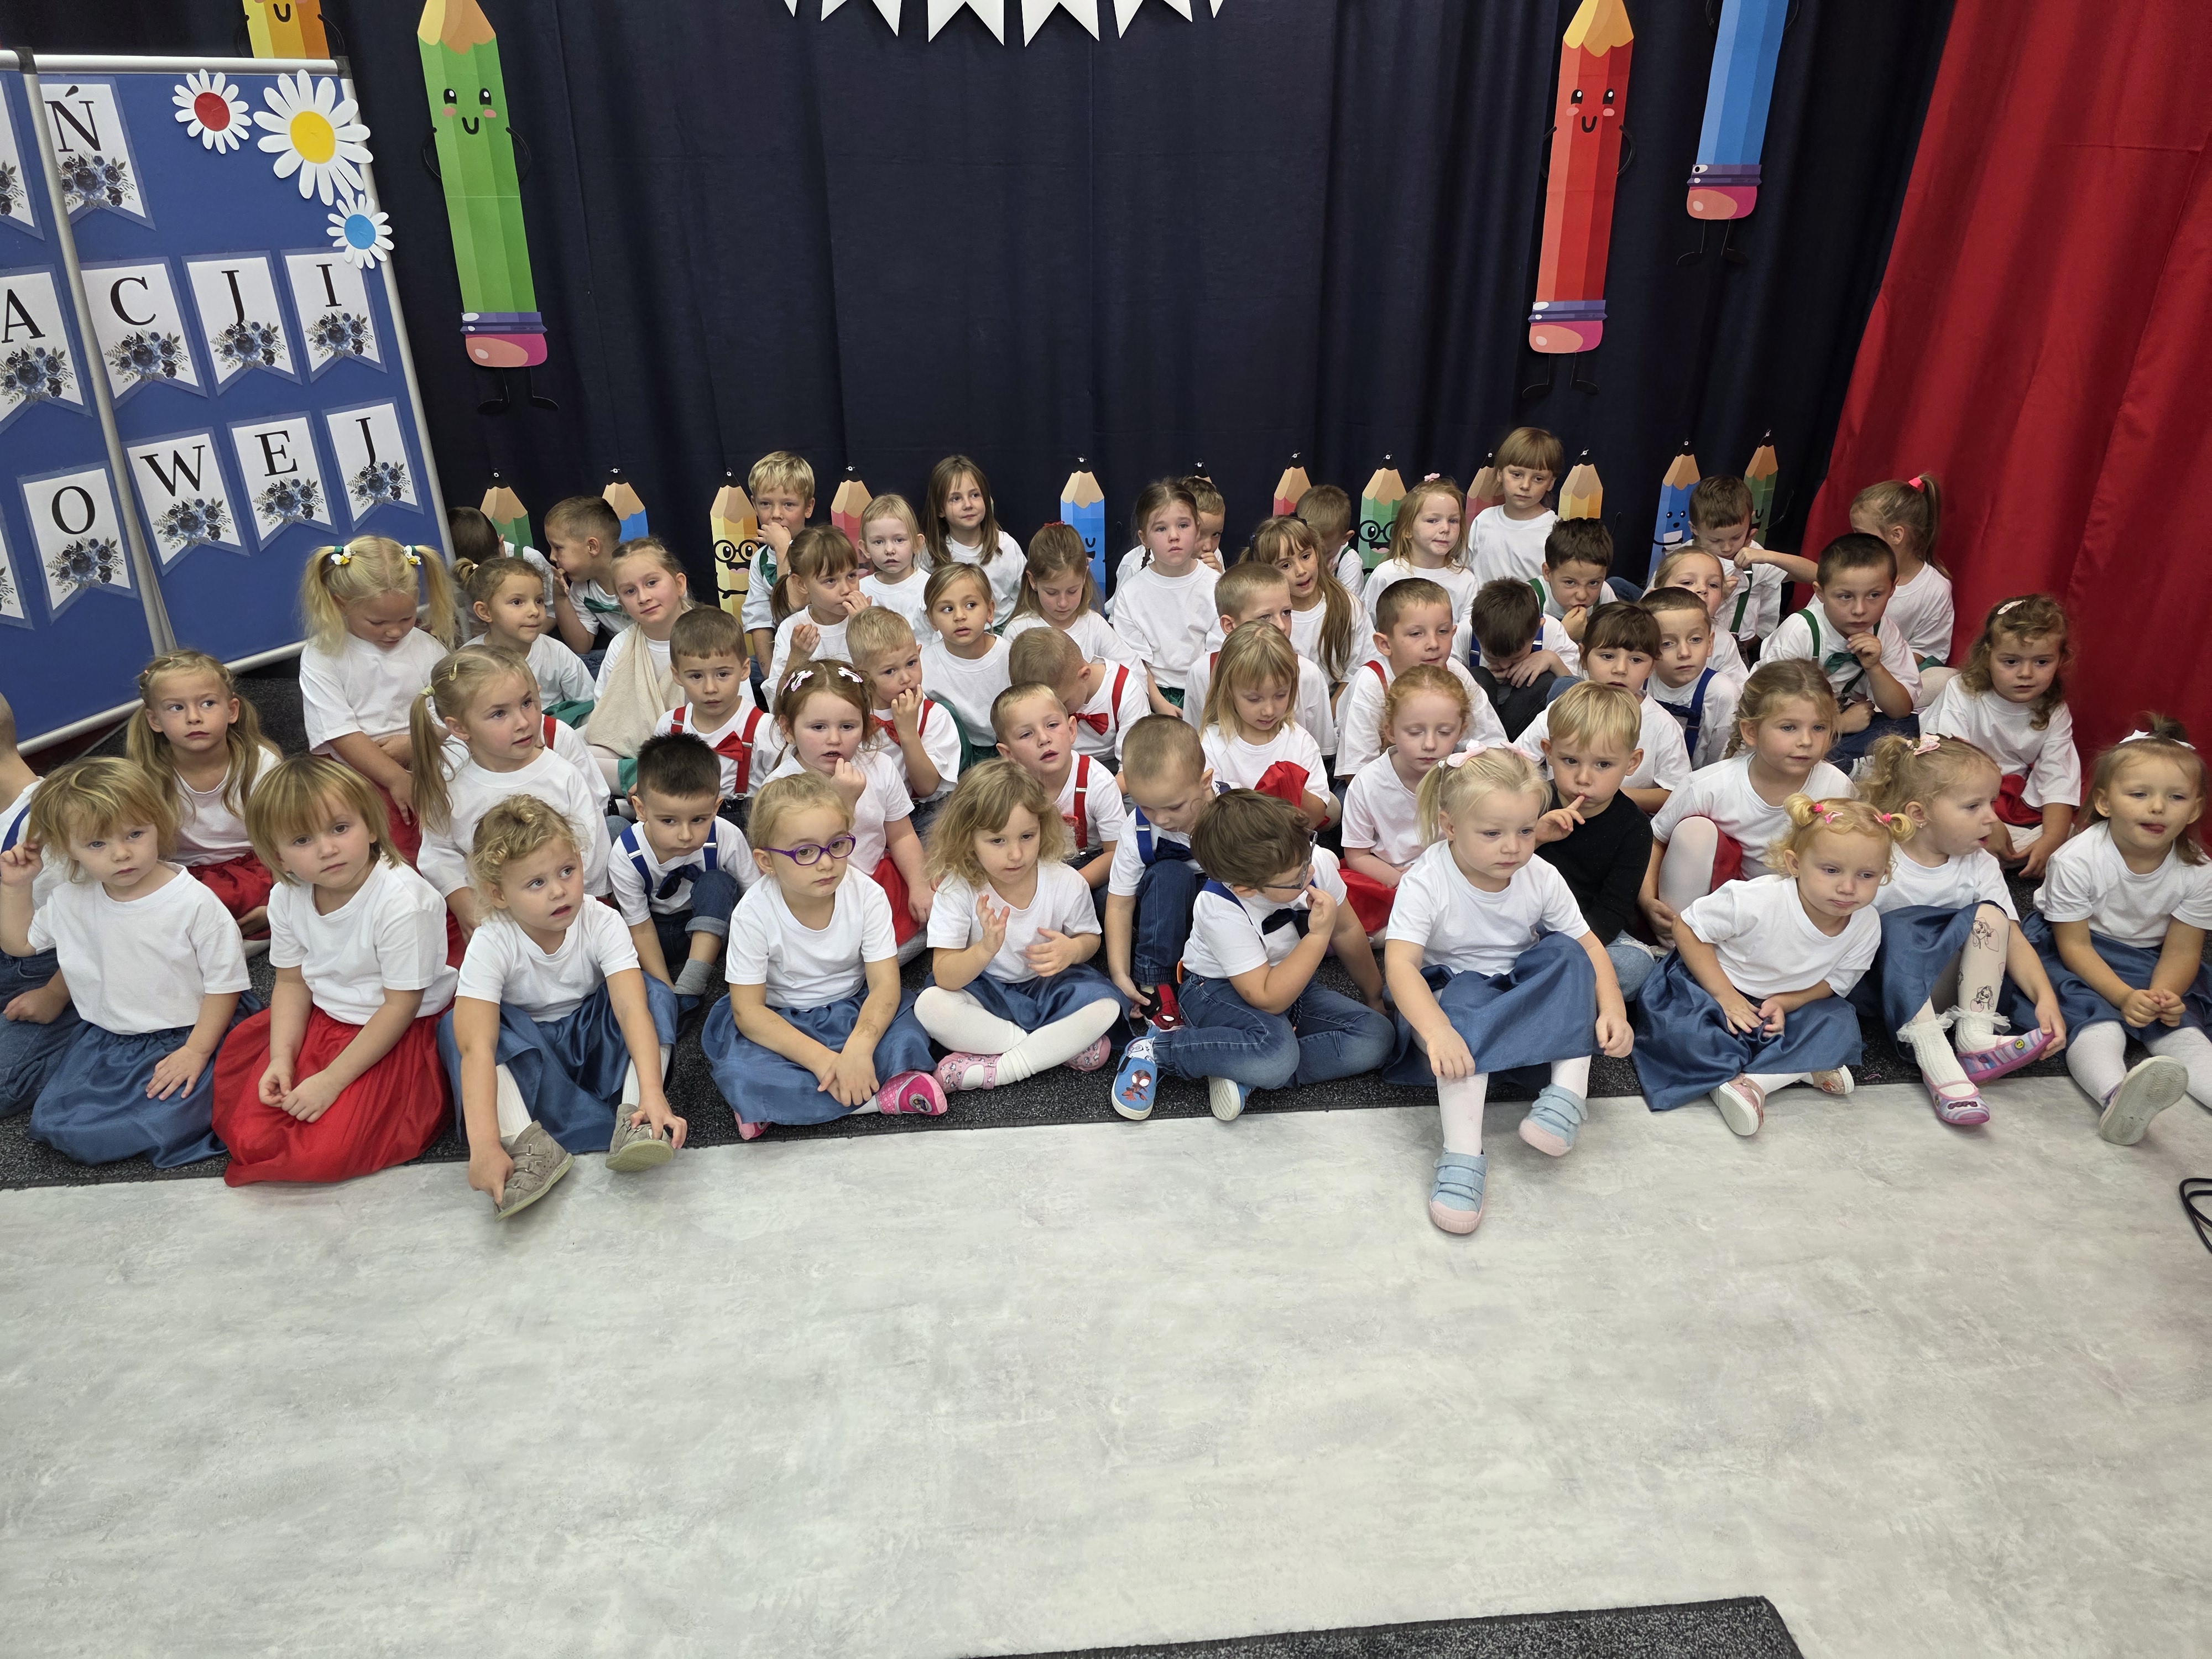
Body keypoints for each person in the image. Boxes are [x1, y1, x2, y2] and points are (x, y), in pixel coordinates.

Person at [1379, 747, 1634, 1234]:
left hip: (1515, 992)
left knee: (1568, 953)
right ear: (1450, 827)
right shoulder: (1427, 880)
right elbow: (1401, 967)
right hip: (1455, 1002)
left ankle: (1566, 1097)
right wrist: (1437, 1033)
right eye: (1492, 834)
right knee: (1462, 1005)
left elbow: (1588, 946)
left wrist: (1613, 1009)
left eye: (1526, 831)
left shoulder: (1540, 875)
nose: (1513, 848)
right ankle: (1461, 1155)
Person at [210, 755, 456, 1185]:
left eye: (340, 828)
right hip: (326, 1020)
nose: (327, 849)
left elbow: (400, 1007)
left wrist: (331, 1081)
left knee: (319, 1153)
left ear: (372, 827)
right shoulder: (288, 896)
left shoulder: (403, 903)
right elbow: (291, 981)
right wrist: (282, 1057)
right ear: (279, 856)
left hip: (399, 1032)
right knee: (250, 1131)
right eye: (303, 840)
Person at [0, 757, 251, 1167]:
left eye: (135, 833)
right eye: (96, 844)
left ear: (159, 825)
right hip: (111, 1037)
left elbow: (226, 986)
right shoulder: (71, 898)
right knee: (62, 1124)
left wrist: (196, 1052)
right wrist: (16, 888)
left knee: (165, 1121)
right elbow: (20, 944)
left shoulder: (193, 903)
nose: (121, 853)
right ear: (68, 850)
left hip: (191, 1031)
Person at [442, 797, 685, 1218]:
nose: (559, 890)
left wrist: (654, 1092)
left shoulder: (601, 920)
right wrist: (483, 1147)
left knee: (654, 993)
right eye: (536, 883)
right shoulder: (491, 940)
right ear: (498, 894)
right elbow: (477, 1049)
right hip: (534, 1060)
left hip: (593, 1046)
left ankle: (638, 1118)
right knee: (457, 1027)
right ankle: (525, 1144)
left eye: (567, 871)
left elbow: (631, 1009)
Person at [1111, 788, 1390, 1123]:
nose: (1309, 874)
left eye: (1307, 856)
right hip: (1215, 991)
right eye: (1294, 879)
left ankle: (1244, 1069)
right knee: (1275, 1055)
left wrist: (1374, 997)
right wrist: (1318, 936)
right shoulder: (1219, 906)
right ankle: (1158, 1051)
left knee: (1375, 1036)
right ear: (1245, 888)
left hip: (1289, 980)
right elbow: (1267, 998)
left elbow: (1347, 931)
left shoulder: (1305, 862)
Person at [1632, 795, 1904, 1136]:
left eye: (1866, 875)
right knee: (1683, 1035)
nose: (1848, 888)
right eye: (1831, 870)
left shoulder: (1866, 924)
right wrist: (1725, 995)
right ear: (1795, 863)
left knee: (1840, 1022)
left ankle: (1753, 1085)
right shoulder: (1758, 899)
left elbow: (1837, 981)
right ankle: (1793, 1069)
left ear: (1884, 875)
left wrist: (1788, 1002)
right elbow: (1686, 928)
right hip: (1708, 987)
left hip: (1779, 1005)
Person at [701, 771, 946, 1137]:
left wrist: (859, 1049)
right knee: (742, 1069)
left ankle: (781, 1107)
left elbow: (884, 987)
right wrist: (822, 1061)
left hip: (854, 1009)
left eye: (837, 845)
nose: (826, 862)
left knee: (911, 1028)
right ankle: (882, 1095)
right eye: (804, 852)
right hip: (782, 1022)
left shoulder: (867, 895)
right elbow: (748, 1012)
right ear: (766, 862)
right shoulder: (752, 913)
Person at [1856, 734, 2067, 1124]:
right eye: (1973, 806)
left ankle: (1975, 1037)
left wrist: (2045, 998)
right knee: (1901, 928)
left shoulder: (1980, 864)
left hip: (1957, 990)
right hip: (1890, 992)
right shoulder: (1881, 860)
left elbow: (2011, 938)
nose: (1992, 817)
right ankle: (1938, 1062)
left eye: (1992, 802)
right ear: (1919, 813)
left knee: (1992, 916)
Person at [2027, 719, 2212, 1146]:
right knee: (2094, 1020)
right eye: (2139, 794)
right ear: (2105, 802)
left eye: (2176, 797)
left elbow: (2183, 951)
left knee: (2181, 1024)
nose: (2158, 808)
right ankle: (2116, 1097)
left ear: (2195, 809)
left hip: (2149, 957)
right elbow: (2074, 945)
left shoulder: (2199, 871)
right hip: (2073, 951)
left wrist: (2162, 996)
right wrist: (2124, 997)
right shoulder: (2077, 860)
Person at [916, 761, 1124, 1092]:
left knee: (1107, 1006)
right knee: (930, 1006)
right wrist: (984, 949)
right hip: (984, 991)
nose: (1016, 854)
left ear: (1043, 827)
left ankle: (998, 1065)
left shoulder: (1065, 881)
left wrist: (1073, 950)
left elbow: (1090, 938)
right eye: (997, 841)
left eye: (1027, 836)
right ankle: (1048, 1049)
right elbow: (945, 976)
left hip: (1048, 988)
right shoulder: (957, 889)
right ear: (968, 840)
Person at [1641, 660, 1854, 946]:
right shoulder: (1709, 785)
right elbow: (1655, 839)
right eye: (1789, 727)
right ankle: (1679, 944)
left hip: (1795, 908)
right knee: (1694, 831)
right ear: (1751, 732)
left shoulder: (1837, 787)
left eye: (1819, 727)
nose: (1806, 741)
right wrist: (1647, 900)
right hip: (1720, 902)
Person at [410, 646, 612, 939]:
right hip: (494, 920)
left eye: (527, 703)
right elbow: (438, 851)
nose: (523, 722)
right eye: (499, 714)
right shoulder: (453, 784)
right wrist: (461, 899)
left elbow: (590, 848)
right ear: (460, 728)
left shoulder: (562, 775)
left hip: (565, 913)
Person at [296, 535, 460, 860]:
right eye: (378, 622)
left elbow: (454, 710)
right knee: (391, 849)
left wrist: (417, 743)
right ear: (341, 603)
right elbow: (339, 732)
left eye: (406, 619)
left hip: (428, 756)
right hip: (359, 771)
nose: (395, 631)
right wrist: (395, 776)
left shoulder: (428, 648)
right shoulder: (322, 655)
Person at [759, 659, 932, 951]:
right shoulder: (781, 786)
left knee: (941, 888)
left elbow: (901, 835)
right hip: (815, 893)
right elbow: (805, 857)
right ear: (788, 729)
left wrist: (918, 885)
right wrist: (842, 802)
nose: (834, 739)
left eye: (848, 726)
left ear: (865, 726)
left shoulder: (880, 766)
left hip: (876, 881)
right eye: (818, 727)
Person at [1919, 594, 2077, 879]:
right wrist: (1988, 822)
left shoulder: (2055, 711)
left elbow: (2058, 780)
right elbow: (1944, 767)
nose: (2026, 674)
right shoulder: (1962, 692)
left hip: (2008, 802)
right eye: (2011, 661)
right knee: (1930, 814)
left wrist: (2052, 841)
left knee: (2071, 838)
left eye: (2042, 662)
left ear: (2060, 660)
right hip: (1955, 785)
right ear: (1988, 656)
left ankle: (1984, 853)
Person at [128, 649, 279, 940]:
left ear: (232, 711)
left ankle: (255, 929)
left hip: (257, 866)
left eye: (208, 703)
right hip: (184, 875)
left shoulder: (261, 763)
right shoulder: (145, 778)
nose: (194, 718)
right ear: (154, 720)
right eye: (176, 708)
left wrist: (277, 903)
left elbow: (290, 834)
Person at [1532, 683, 1660, 1002]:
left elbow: (1612, 912)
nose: (1584, 778)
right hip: (1524, 923)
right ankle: (1558, 995)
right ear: (1549, 752)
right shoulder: (1530, 801)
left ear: (1632, 763)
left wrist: (1568, 951)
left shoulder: (1634, 828)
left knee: (1635, 965)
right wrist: (1534, 837)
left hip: (1587, 934)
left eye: (1603, 765)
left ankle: (1539, 990)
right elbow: (1490, 869)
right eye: (1570, 761)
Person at [1512, 602, 1690, 815]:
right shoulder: (1561, 709)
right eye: (1607, 656)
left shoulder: (1663, 726)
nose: (1620, 669)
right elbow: (1515, 765)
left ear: (1652, 666)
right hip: (1556, 816)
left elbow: (1675, 794)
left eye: (1636, 660)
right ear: (1584, 657)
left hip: (1623, 824)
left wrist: (1609, 796)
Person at [611, 733, 752, 1000]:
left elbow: (754, 896)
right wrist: (666, 987)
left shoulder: (726, 835)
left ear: (716, 807)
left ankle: (691, 985)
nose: (686, 835)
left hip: (713, 932)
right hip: (654, 933)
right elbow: (639, 926)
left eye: (698, 819)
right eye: (669, 821)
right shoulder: (627, 852)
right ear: (641, 810)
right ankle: (671, 993)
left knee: (717, 882)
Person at [1760, 532, 1921, 763]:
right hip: (1795, 728)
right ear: (1820, 593)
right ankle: (1837, 765)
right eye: (1845, 597)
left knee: (1909, 726)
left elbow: (1900, 710)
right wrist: (1839, 724)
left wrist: (1874, 667)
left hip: (1846, 725)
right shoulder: (1802, 630)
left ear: (1892, 588)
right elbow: (1773, 709)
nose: (1859, 610)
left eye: (1874, 595)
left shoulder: (1885, 631)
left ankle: (1838, 763)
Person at [1102, 716, 1219, 1026]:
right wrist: (1119, 973)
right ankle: (1155, 980)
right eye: (1147, 807)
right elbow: (1120, 904)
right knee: (1171, 874)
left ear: (1205, 782)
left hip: (1219, 909)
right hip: (1163, 913)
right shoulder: (1138, 830)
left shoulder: (1232, 813)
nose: (1162, 819)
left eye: (1174, 807)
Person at [1339, 664, 1470, 935]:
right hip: (1389, 877)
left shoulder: (1467, 779)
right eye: (1414, 732)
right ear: (1390, 731)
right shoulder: (1367, 783)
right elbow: (1357, 854)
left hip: (1451, 870)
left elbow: (1475, 840)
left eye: (1445, 732)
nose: (1430, 744)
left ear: (1461, 731)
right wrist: (1400, 880)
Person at [1335, 577, 1505, 777]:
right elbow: (1355, 773)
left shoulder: (1455, 672)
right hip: (1381, 782)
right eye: (1416, 634)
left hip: (1442, 774)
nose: (1434, 643)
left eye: (1443, 631)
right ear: (1385, 645)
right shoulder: (1371, 683)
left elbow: (1492, 744)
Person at [1180, 560, 1338, 770]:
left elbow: (1320, 751)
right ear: (1229, 625)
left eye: (1286, 612)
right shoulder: (1203, 672)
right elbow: (1196, 746)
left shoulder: (1308, 674)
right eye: (1265, 617)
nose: (1281, 625)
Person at [0, 693, 74, 1113]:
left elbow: (101, 926)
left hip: (59, 968)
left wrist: (55, 994)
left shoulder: (52, 820)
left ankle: (105, 1032)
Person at [1197, 624, 1336, 829]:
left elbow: (1317, 817)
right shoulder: (1211, 744)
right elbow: (1209, 817)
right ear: (1228, 692)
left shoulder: (1300, 742)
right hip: (1232, 843)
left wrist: (1293, 786)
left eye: (1280, 695)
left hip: (1289, 840)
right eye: (1254, 699)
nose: (1269, 710)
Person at [583, 536, 693, 787]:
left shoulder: (712, 635)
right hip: (630, 752)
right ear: (622, 604)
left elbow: (739, 711)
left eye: (652, 583)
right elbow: (606, 711)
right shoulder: (621, 645)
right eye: (630, 591)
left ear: (679, 584)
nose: (643, 597)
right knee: (577, 760)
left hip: (695, 753)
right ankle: (644, 782)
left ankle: (640, 786)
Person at [992, 685, 1121, 894]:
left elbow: (1116, 853)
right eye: (1026, 734)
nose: (1044, 739)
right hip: (1033, 867)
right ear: (1008, 754)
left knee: (1107, 896)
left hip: (1090, 867)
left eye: (1052, 725)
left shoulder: (1099, 782)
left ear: (1071, 730)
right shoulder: (1005, 790)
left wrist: (1067, 889)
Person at [651, 606, 777, 816]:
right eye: (696, 676)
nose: (710, 688)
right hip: (685, 826)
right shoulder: (670, 726)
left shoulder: (764, 729)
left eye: (722, 674)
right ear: (677, 675)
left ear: (744, 669)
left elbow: (785, 795)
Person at [1112, 479, 1219, 714]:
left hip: (1208, 694)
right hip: (1151, 696)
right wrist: (1160, 704)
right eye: (1161, 529)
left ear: (1197, 528)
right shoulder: (1131, 594)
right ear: (1144, 538)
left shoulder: (1216, 586)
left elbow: (1219, 656)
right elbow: (1134, 661)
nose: (1174, 536)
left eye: (1183, 525)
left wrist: (1201, 704)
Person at [847, 604, 960, 817]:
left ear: (919, 653)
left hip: (922, 812)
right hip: (867, 809)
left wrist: (908, 732)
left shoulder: (934, 715)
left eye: (911, 663)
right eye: (890, 671)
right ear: (863, 675)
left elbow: (927, 787)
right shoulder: (851, 716)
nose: (906, 678)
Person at [457, 552, 594, 725]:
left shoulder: (557, 652)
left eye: (539, 601)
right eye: (517, 602)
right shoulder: (467, 662)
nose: (534, 611)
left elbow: (589, 706)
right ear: (485, 612)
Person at [1851, 475, 1954, 698]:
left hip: (1890, 676)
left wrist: (1878, 663)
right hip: (1837, 671)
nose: (1854, 543)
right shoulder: (1849, 570)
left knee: (1946, 679)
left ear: (1896, 535)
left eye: (1861, 535)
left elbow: (1927, 652)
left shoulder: (1935, 588)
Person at [1359, 476, 1477, 660]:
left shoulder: (1466, 580)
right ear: (1407, 529)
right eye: (1433, 520)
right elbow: (1366, 631)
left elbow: (1462, 640)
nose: (1445, 528)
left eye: (1453, 521)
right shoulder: (1387, 574)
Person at [1250, 512, 1362, 692]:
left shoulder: (1347, 605)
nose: (1301, 571)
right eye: (1286, 565)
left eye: (1305, 556)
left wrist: (1332, 707)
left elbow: (1360, 667)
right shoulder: (1259, 616)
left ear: (1317, 553)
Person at [919, 562, 1015, 770]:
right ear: (932, 620)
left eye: (971, 605)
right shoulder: (924, 664)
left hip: (1012, 750)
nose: (960, 616)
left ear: (990, 611)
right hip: (957, 757)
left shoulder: (1010, 656)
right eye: (947, 609)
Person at [1009, 625, 1149, 767]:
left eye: (1063, 704)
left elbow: (1132, 769)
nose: (1055, 712)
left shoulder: (1128, 692)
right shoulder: (1065, 688)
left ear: (1084, 676)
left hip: (1110, 766)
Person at [1003, 521, 1138, 667]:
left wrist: (1097, 674)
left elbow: (1135, 668)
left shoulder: (1094, 625)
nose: (1063, 603)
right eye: (1052, 593)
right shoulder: (1017, 631)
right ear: (1033, 581)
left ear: (1084, 577)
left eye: (1072, 591)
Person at [1688, 476, 1788, 665]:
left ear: (1750, 522)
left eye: (1736, 537)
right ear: (1694, 529)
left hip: (1743, 648)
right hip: (1695, 647)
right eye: (1715, 540)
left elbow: (1818, 575)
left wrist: (1769, 557)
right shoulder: (1682, 561)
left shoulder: (1757, 557)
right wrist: (1720, 596)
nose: (1727, 548)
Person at [1642, 584, 1741, 770]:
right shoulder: (1639, 682)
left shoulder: (1723, 694)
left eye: (1695, 640)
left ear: (1710, 644)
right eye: (1667, 643)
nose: (1685, 653)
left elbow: (1722, 765)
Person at [922, 453, 1025, 626]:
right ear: (940, 509)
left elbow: (1028, 595)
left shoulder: (1006, 545)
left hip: (1004, 627)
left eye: (975, 495)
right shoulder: (931, 551)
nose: (968, 505)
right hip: (953, 630)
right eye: (956, 498)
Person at [739, 450, 816, 677]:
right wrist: (771, 675)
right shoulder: (760, 559)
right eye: (765, 504)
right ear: (754, 505)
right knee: (739, 672)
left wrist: (784, 548)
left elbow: (792, 605)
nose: (776, 514)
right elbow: (759, 617)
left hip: (819, 649)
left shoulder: (820, 551)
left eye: (789, 505)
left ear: (808, 507)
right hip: (782, 654)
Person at [1468, 578, 1575, 742]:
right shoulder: (1466, 634)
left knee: (1547, 681)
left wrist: (1553, 660)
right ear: (1473, 628)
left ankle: (1502, 749)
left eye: (1516, 657)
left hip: (1524, 732)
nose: (1505, 665)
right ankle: (1493, 749)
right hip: (1479, 732)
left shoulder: (1551, 631)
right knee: (1476, 677)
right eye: (1493, 657)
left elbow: (1579, 696)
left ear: (1539, 628)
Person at [766, 525, 872, 689]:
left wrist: (862, 629)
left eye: (851, 576)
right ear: (802, 584)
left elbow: (884, 683)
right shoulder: (792, 628)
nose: (846, 589)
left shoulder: (871, 620)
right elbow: (779, 697)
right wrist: (797, 658)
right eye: (830, 581)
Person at [1467, 425, 1563, 586]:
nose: (1525, 486)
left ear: (1551, 483)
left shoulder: (1556, 532)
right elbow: (1467, 575)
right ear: (1500, 473)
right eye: (1517, 475)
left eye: (1538, 479)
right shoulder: (1483, 521)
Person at [541, 493, 629, 659]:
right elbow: (580, 647)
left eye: (558, 548)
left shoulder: (641, 573)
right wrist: (560, 598)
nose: (552, 557)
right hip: (624, 655)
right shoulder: (583, 588)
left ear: (592, 547)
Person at [1648, 547, 1750, 684]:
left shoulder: (1723, 641)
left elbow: (1738, 689)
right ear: (1657, 594)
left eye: (1713, 585)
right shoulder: (1642, 631)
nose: (1703, 589)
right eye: (1687, 582)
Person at [856, 492, 933, 637]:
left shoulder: (930, 587)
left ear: (917, 543)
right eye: (879, 542)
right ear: (865, 549)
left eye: (899, 540)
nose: (889, 550)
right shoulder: (860, 590)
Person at [1530, 517, 1616, 646]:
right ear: (1548, 573)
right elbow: (1518, 655)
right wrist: (1564, 634)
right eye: (1570, 583)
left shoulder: (1604, 594)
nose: (1582, 595)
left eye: (1593, 583)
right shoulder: (1530, 599)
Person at [1292, 482, 1366, 599]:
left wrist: (1325, 580)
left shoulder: (1350, 562)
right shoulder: (1290, 552)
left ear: (1345, 538)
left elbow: (1348, 607)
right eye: (1306, 555)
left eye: (1325, 553)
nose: (1317, 558)